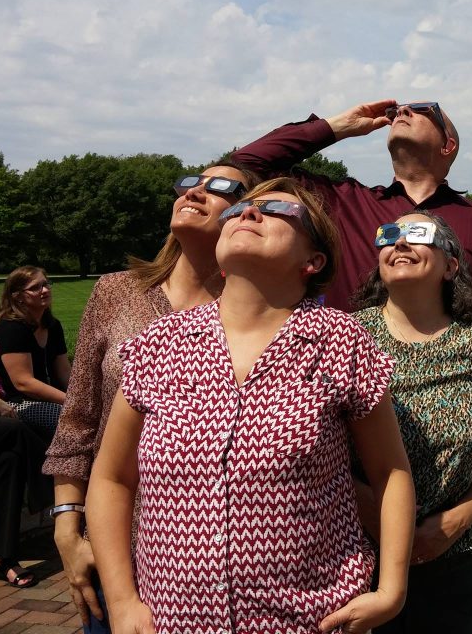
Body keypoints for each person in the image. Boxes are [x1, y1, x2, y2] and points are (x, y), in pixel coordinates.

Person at [87, 178, 415, 634]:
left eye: (280, 211)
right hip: (173, 621)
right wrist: (122, 600)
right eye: (239, 210)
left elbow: (390, 472)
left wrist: (392, 589)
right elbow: (111, 477)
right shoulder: (156, 347)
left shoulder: (342, 342)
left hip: (313, 619)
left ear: (313, 261)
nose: (247, 213)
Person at [43, 163, 255, 633]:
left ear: (247, 213)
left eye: (222, 188)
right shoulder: (117, 292)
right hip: (112, 545)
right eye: (189, 183)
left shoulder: (251, 310)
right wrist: (66, 526)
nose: (197, 192)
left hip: (207, 559)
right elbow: (79, 417)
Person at [351, 211, 472, 632]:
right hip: (359, 547)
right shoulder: (347, 335)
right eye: (389, 234)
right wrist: (369, 509)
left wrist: (456, 521)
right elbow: (318, 445)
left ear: (450, 265)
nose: (400, 242)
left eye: (419, 234)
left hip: (459, 553)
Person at [232, 101, 472, 316]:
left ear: (448, 145)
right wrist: (338, 126)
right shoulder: (342, 201)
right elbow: (249, 163)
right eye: (397, 111)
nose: (403, 111)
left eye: (425, 109)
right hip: (346, 379)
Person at [0, 279, 53, 588]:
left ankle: (2, 558)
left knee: (10, 457)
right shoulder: (8, 331)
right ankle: (53, 493)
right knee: (15, 430)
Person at [0, 266, 71, 440]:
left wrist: (82, 397)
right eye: (35, 287)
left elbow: (64, 371)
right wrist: (72, 402)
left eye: (46, 284)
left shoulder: (52, 325)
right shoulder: (9, 328)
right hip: (18, 403)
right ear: (17, 296)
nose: (44, 290)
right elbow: (24, 383)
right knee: (70, 422)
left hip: (55, 398)